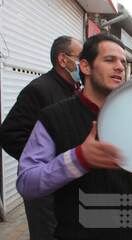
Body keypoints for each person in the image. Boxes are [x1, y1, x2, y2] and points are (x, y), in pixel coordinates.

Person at [16, 33, 132, 240]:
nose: (120, 67)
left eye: (123, 62)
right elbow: (27, 184)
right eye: (109, 60)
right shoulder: (53, 117)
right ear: (86, 67)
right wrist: (78, 159)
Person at [0, 35, 82, 240]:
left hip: (66, 186)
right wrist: (43, 162)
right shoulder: (39, 90)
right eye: (80, 57)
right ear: (63, 60)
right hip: (45, 189)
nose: (84, 64)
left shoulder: (74, 90)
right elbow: (9, 134)